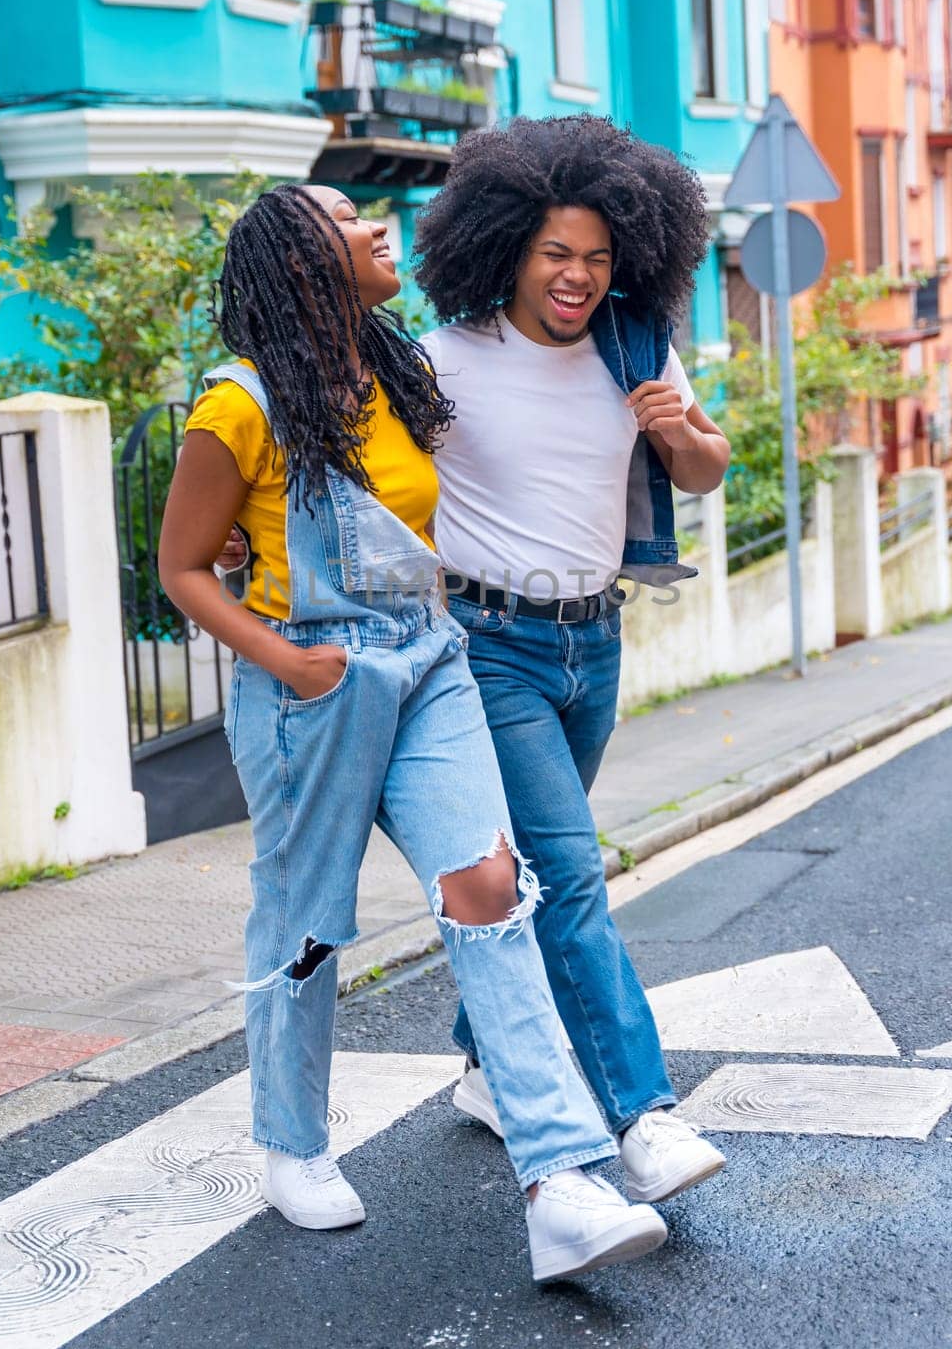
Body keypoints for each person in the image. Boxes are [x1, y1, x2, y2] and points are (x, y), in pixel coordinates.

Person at [158, 181, 670, 1285]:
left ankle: (559, 1181)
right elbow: (182, 568)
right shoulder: (234, 406)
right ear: (300, 260)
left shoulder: (396, 375)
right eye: (346, 216)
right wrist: (283, 656)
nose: (375, 224)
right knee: (305, 921)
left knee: (490, 882)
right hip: (314, 679)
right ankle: (289, 1142)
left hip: (430, 658)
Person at [411, 115, 732, 1205]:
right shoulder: (441, 361)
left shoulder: (632, 348)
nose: (578, 276)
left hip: (593, 642)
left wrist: (671, 430)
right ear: (503, 247)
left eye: (596, 256)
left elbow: (704, 469)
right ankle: (640, 1114)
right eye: (556, 253)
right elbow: (359, 476)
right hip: (487, 645)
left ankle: (478, 1064)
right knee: (573, 873)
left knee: (540, 876)